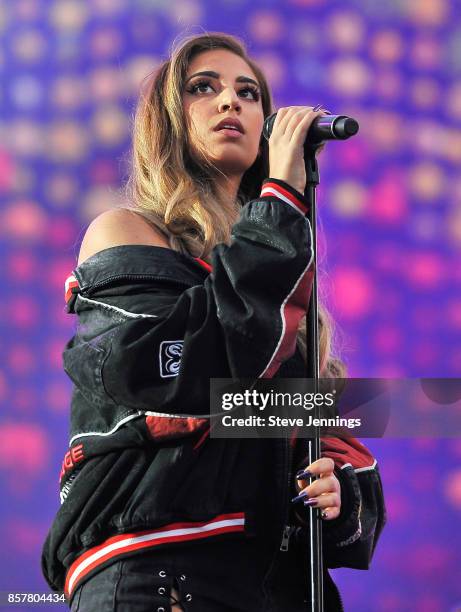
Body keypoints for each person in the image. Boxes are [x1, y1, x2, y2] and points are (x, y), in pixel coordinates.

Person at [41, 32, 386, 611]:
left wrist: (337, 492)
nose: (231, 102)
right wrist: (281, 199)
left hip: (277, 587)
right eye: (205, 88)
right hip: (158, 577)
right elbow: (187, 374)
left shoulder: (290, 303)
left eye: (248, 93)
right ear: (169, 120)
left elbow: (337, 445)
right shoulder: (126, 233)